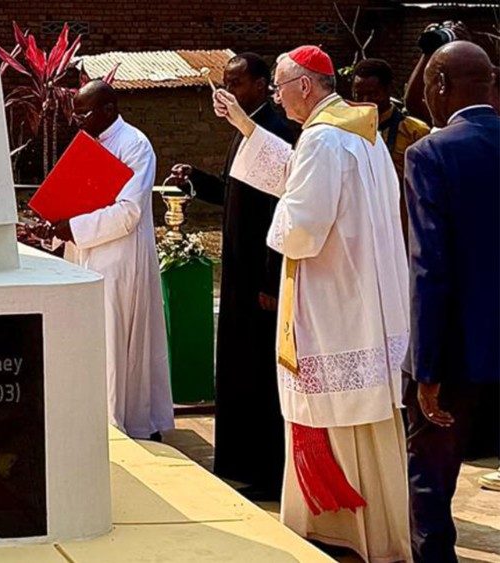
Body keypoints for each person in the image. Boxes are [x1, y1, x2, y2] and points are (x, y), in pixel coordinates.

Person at [214, 46, 411, 562]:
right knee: (362, 425)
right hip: (360, 299)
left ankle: (340, 530)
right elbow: (301, 176)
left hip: (333, 306)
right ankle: (374, 532)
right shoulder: (361, 133)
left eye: (280, 87)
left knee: (336, 418)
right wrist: (246, 128)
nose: (277, 98)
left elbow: (301, 229)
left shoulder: (323, 140)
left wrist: (274, 225)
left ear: (304, 86)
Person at [165, 53, 298, 499]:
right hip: (238, 274)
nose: (229, 92)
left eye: (238, 83)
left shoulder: (277, 132)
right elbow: (235, 195)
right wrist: (196, 181)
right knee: (238, 369)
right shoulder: (244, 132)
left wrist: (271, 281)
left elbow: (282, 212)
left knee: (261, 376)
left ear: (262, 85)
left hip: (261, 277)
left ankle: (268, 471)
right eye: (226, 82)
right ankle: (241, 463)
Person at [403, 41, 500, 563]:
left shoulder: (431, 154)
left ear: (439, 85)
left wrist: (426, 368)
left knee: (431, 480)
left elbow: (431, 267)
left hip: (458, 351)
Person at [48, 79, 174, 440]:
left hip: (118, 259)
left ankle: (119, 423)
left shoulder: (135, 145)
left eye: (83, 114)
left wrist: (74, 228)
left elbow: (129, 212)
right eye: (74, 115)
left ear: (108, 109)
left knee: (113, 342)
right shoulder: (87, 144)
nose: (77, 122)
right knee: (88, 342)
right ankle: (89, 419)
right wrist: (54, 227)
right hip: (83, 255)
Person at [352, 58, 430, 231]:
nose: (365, 101)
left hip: (401, 226)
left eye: (373, 94)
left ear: (388, 90)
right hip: (360, 227)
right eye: (358, 95)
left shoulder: (415, 132)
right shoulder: (347, 132)